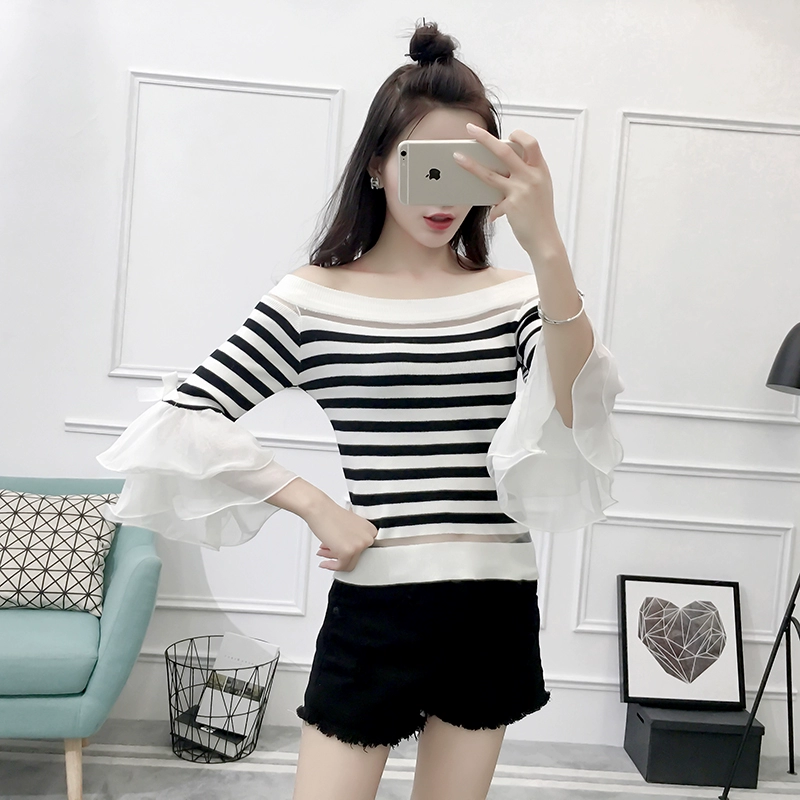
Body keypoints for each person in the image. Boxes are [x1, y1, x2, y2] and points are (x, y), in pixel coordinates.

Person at [96, 19, 625, 800]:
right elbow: (178, 419)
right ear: (377, 165)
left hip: (493, 606)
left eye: (465, 167)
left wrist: (546, 244)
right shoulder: (313, 300)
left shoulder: (516, 298)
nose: (442, 194)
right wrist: (315, 506)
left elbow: (578, 405)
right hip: (375, 610)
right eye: (421, 163)